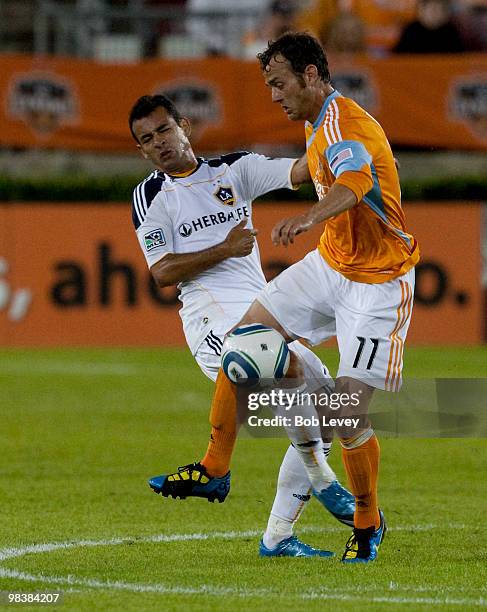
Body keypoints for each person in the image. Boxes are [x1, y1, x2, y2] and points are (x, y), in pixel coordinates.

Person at [129, 94, 355, 558]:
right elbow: (163, 272)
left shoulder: (234, 170)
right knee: (287, 368)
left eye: (164, 131)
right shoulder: (151, 196)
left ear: (185, 125)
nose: (159, 144)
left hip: (259, 310)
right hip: (209, 320)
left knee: (331, 408)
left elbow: (299, 171)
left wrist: (339, 141)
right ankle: (322, 481)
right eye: (147, 140)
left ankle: (277, 537)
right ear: (143, 151)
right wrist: (224, 249)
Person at [226, 32, 419, 563]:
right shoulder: (315, 121)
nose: (273, 94)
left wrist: (310, 217)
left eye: (279, 82)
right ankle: (294, 467)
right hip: (329, 265)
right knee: (246, 341)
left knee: (345, 414)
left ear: (311, 75)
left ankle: (366, 521)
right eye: (268, 84)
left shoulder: (343, 124)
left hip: (378, 281)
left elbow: (354, 181)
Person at [393, 0, 465, 53]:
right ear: (421, 10)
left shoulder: (450, 31)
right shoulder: (411, 30)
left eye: (441, 9)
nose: (436, 13)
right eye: (432, 9)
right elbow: (399, 57)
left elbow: (458, 58)